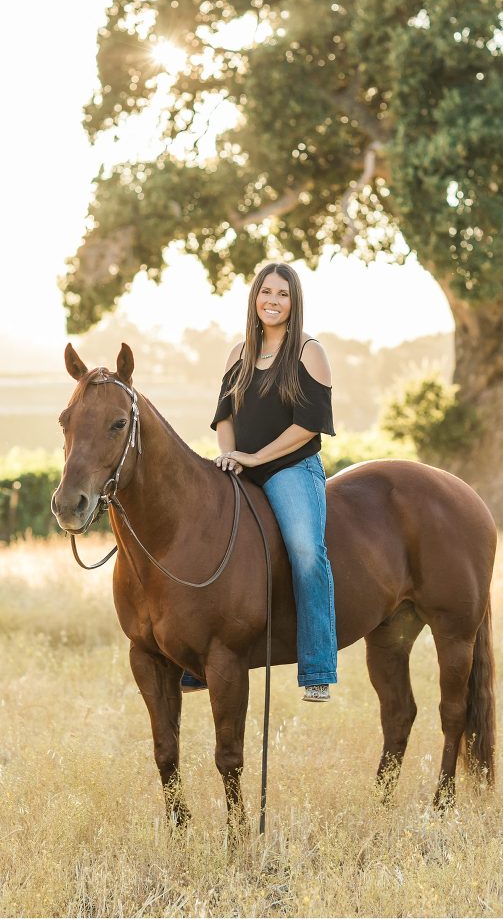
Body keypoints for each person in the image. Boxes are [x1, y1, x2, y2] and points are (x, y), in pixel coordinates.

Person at [182, 261, 338, 702]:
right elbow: (224, 416)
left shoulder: (309, 351)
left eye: (283, 294)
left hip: (290, 469)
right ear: (254, 298)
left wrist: (256, 457)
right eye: (266, 292)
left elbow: (307, 427)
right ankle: (193, 663)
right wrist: (230, 455)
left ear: (294, 302)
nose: (273, 300)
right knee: (199, 544)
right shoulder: (239, 354)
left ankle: (317, 667)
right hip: (241, 466)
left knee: (308, 552)